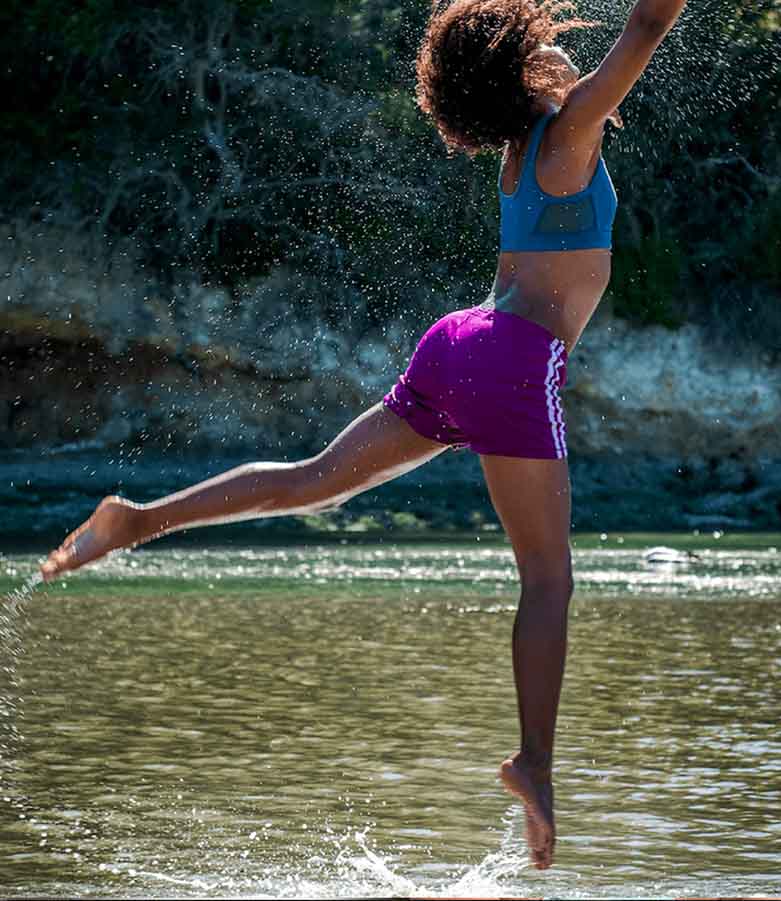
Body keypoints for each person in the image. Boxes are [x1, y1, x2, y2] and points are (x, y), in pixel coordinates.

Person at [40, 0, 686, 870]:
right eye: (544, 50)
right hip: (513, 357)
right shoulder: (566, 134)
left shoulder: (521, 153)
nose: (563, 60)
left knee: (314, 478)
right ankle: (533, 760)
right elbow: (643, 28)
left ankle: (138, 520)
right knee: (547, 577)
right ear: (523, 71)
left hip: (456, 341)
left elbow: (591, 69)